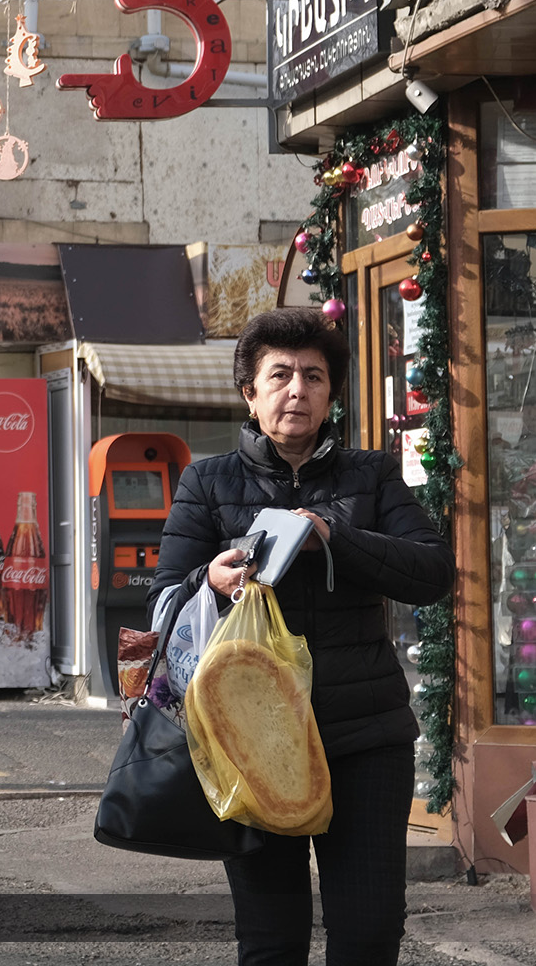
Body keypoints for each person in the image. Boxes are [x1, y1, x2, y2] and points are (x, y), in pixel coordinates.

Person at [148, 307, 452, 966]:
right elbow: (165, 600)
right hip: (249, 738)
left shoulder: (369, 476)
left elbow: (432, 571)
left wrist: (332, 535)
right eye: (279, 375)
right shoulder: (208, 482)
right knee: (270, 941)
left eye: (314, 377)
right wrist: (212, 579)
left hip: (364, 736)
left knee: (369, 935)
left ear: (331, 394)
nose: (297, 390)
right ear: (250, 395)